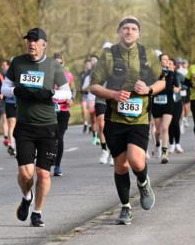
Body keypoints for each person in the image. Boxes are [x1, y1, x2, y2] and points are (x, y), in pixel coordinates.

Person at [87, 16, 163, 225]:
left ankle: (143, 181)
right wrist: (113, 94)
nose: (129, 32)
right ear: (119, 32)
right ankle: (125, 207)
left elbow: (162, 81)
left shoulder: (147, 55)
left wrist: (148, 89)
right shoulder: (108, 55)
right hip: (115, 119)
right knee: (120, 165)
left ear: (138, 34)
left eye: (133, 29)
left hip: (139, 118)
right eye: (125, 29)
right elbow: (93, 86)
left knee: (136, 160)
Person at [6, 28, 67, 226]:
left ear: (44, 44)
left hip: (48, 126)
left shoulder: (53, 66)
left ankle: (37, 212)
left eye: (36, 40)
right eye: (29, 40)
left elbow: (68, 93)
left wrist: (50, 94)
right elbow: (4, 88)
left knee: (43, 173)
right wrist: (16, 90)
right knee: (26, 173)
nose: (31, 44)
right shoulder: (18, 62)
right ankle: (26, 197)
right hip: (24, 126)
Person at [151, 53, 178, 163]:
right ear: (160, 61)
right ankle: (157, 143)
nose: (167, 61)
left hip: (168, 103)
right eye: (164, 59)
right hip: (157, 103)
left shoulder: (172, 73)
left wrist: (176, 89)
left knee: (165, 128)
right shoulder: (154, 73)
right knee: (157, 131)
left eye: (168, 59)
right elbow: (151, 86)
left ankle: (164, 152)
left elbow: (177, 86)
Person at [52, 51, 73, 177]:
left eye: (60, 64)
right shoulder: (47, 76)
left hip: (63, 111)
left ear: (63, 63)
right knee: (50, 138)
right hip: (49, 111)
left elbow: (73, 90)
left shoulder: (68, 76)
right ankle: (48, 160)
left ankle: (57, 165)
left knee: (59, 137)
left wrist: (71, 98)